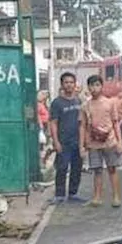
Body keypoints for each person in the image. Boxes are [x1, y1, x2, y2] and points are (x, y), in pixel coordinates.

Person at [79, 74, 122, 207]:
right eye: (91, 85)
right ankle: (97, 197)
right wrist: (82, 146)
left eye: (97, 85)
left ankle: (116, 197)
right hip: (93, 144)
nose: (94, 88)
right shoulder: (85, 105)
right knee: (97, 170)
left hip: (109, 142)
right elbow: (82, 126)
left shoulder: (109, 103)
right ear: (88, 87)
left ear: (102, 86)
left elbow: (116, 123)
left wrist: (119, 142)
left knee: (112, 169)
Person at [49, 72, 84, 203]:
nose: (69, 85)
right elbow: (53, 123)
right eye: (66, 82)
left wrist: (83, 142)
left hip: (77, 141)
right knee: (62, 168)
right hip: (63, 142)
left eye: (71, 82)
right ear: (62, 85)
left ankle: (73, 194)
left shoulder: (78, 101)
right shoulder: (57, 103)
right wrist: (56, 141)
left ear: (75, 85)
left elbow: (83, 123)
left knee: (77, 168)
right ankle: (59, 195)